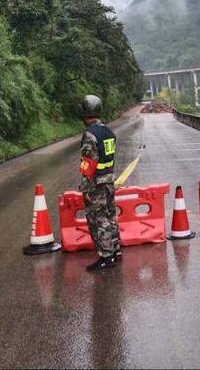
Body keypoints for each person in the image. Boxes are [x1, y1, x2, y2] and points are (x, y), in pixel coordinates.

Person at [78, 94, 121, 271]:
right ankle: (116, 250)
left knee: (99, 219)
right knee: (111, 216)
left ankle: (106, 256)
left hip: (96, 184)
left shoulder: (90, 135)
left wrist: (85, 185)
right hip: (109, 180)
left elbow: (89, 164)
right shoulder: (109, 132)